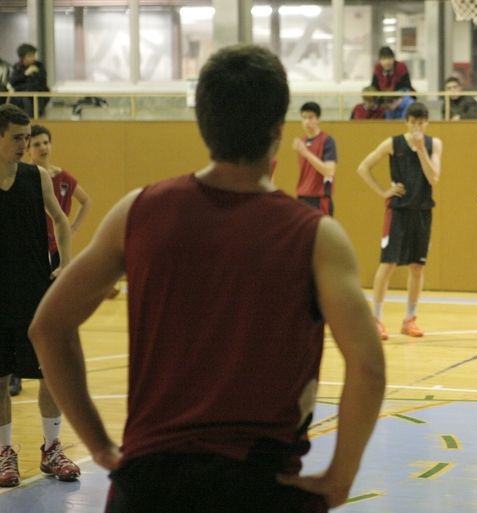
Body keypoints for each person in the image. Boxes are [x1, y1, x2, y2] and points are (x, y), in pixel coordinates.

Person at [28, 44, 385, 513]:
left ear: (203, 124)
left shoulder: (137, 211)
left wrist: (98, 445)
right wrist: (341, 476)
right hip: (260, 485)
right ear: (279, 131)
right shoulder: (317, 236)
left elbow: (48, 327)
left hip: (149, 485)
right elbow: (368, 366)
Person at [0, 103, 79, 487]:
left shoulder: (38, 178)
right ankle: (4, 453)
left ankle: (52, 449)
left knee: (49, 374)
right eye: (17, 138)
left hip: (36, 293)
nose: (24, 144)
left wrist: (65, 265)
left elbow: (62, 224)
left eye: (27, 137)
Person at [356, 102, 442, 341]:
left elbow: (434, 178)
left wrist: (421, 150)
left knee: (417, 266)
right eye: (413, 122)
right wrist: (384, 190)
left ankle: (410, 319)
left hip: (422, 211)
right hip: (398, 211)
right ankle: (375, 319)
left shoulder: (433, 144)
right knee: (388, 264)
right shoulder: (393, 143)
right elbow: (363, 167)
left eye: (421, 122)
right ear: (407, 122)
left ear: (426, 122)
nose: (417, 126)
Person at [28, 124, 93, 271]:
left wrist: (74, 228)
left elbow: (86, 201)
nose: (43, 147)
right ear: (28, 150)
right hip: (33, 244)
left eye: (46, 143)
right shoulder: (25, 176)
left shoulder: (63, 177)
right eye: (37, 144)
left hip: (57, 244)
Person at [293, 102, 337, 216]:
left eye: (311, 117)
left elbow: (329, 170)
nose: (307, 121)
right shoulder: (302, 142)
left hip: (320, 200)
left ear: (318, 119)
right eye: (304, 118)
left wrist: (306, 153)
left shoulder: (327, 141)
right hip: (302, 198)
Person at [8, 43, 50, 117]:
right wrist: (26, 74)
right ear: (22, 58)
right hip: (21, 96)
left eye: (34, 55)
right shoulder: (17, 67)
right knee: (23, 98)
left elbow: (42, 82)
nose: (33, 58)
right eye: (30, 56)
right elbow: (13, 82)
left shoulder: (39, 66)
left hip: (37, 95)